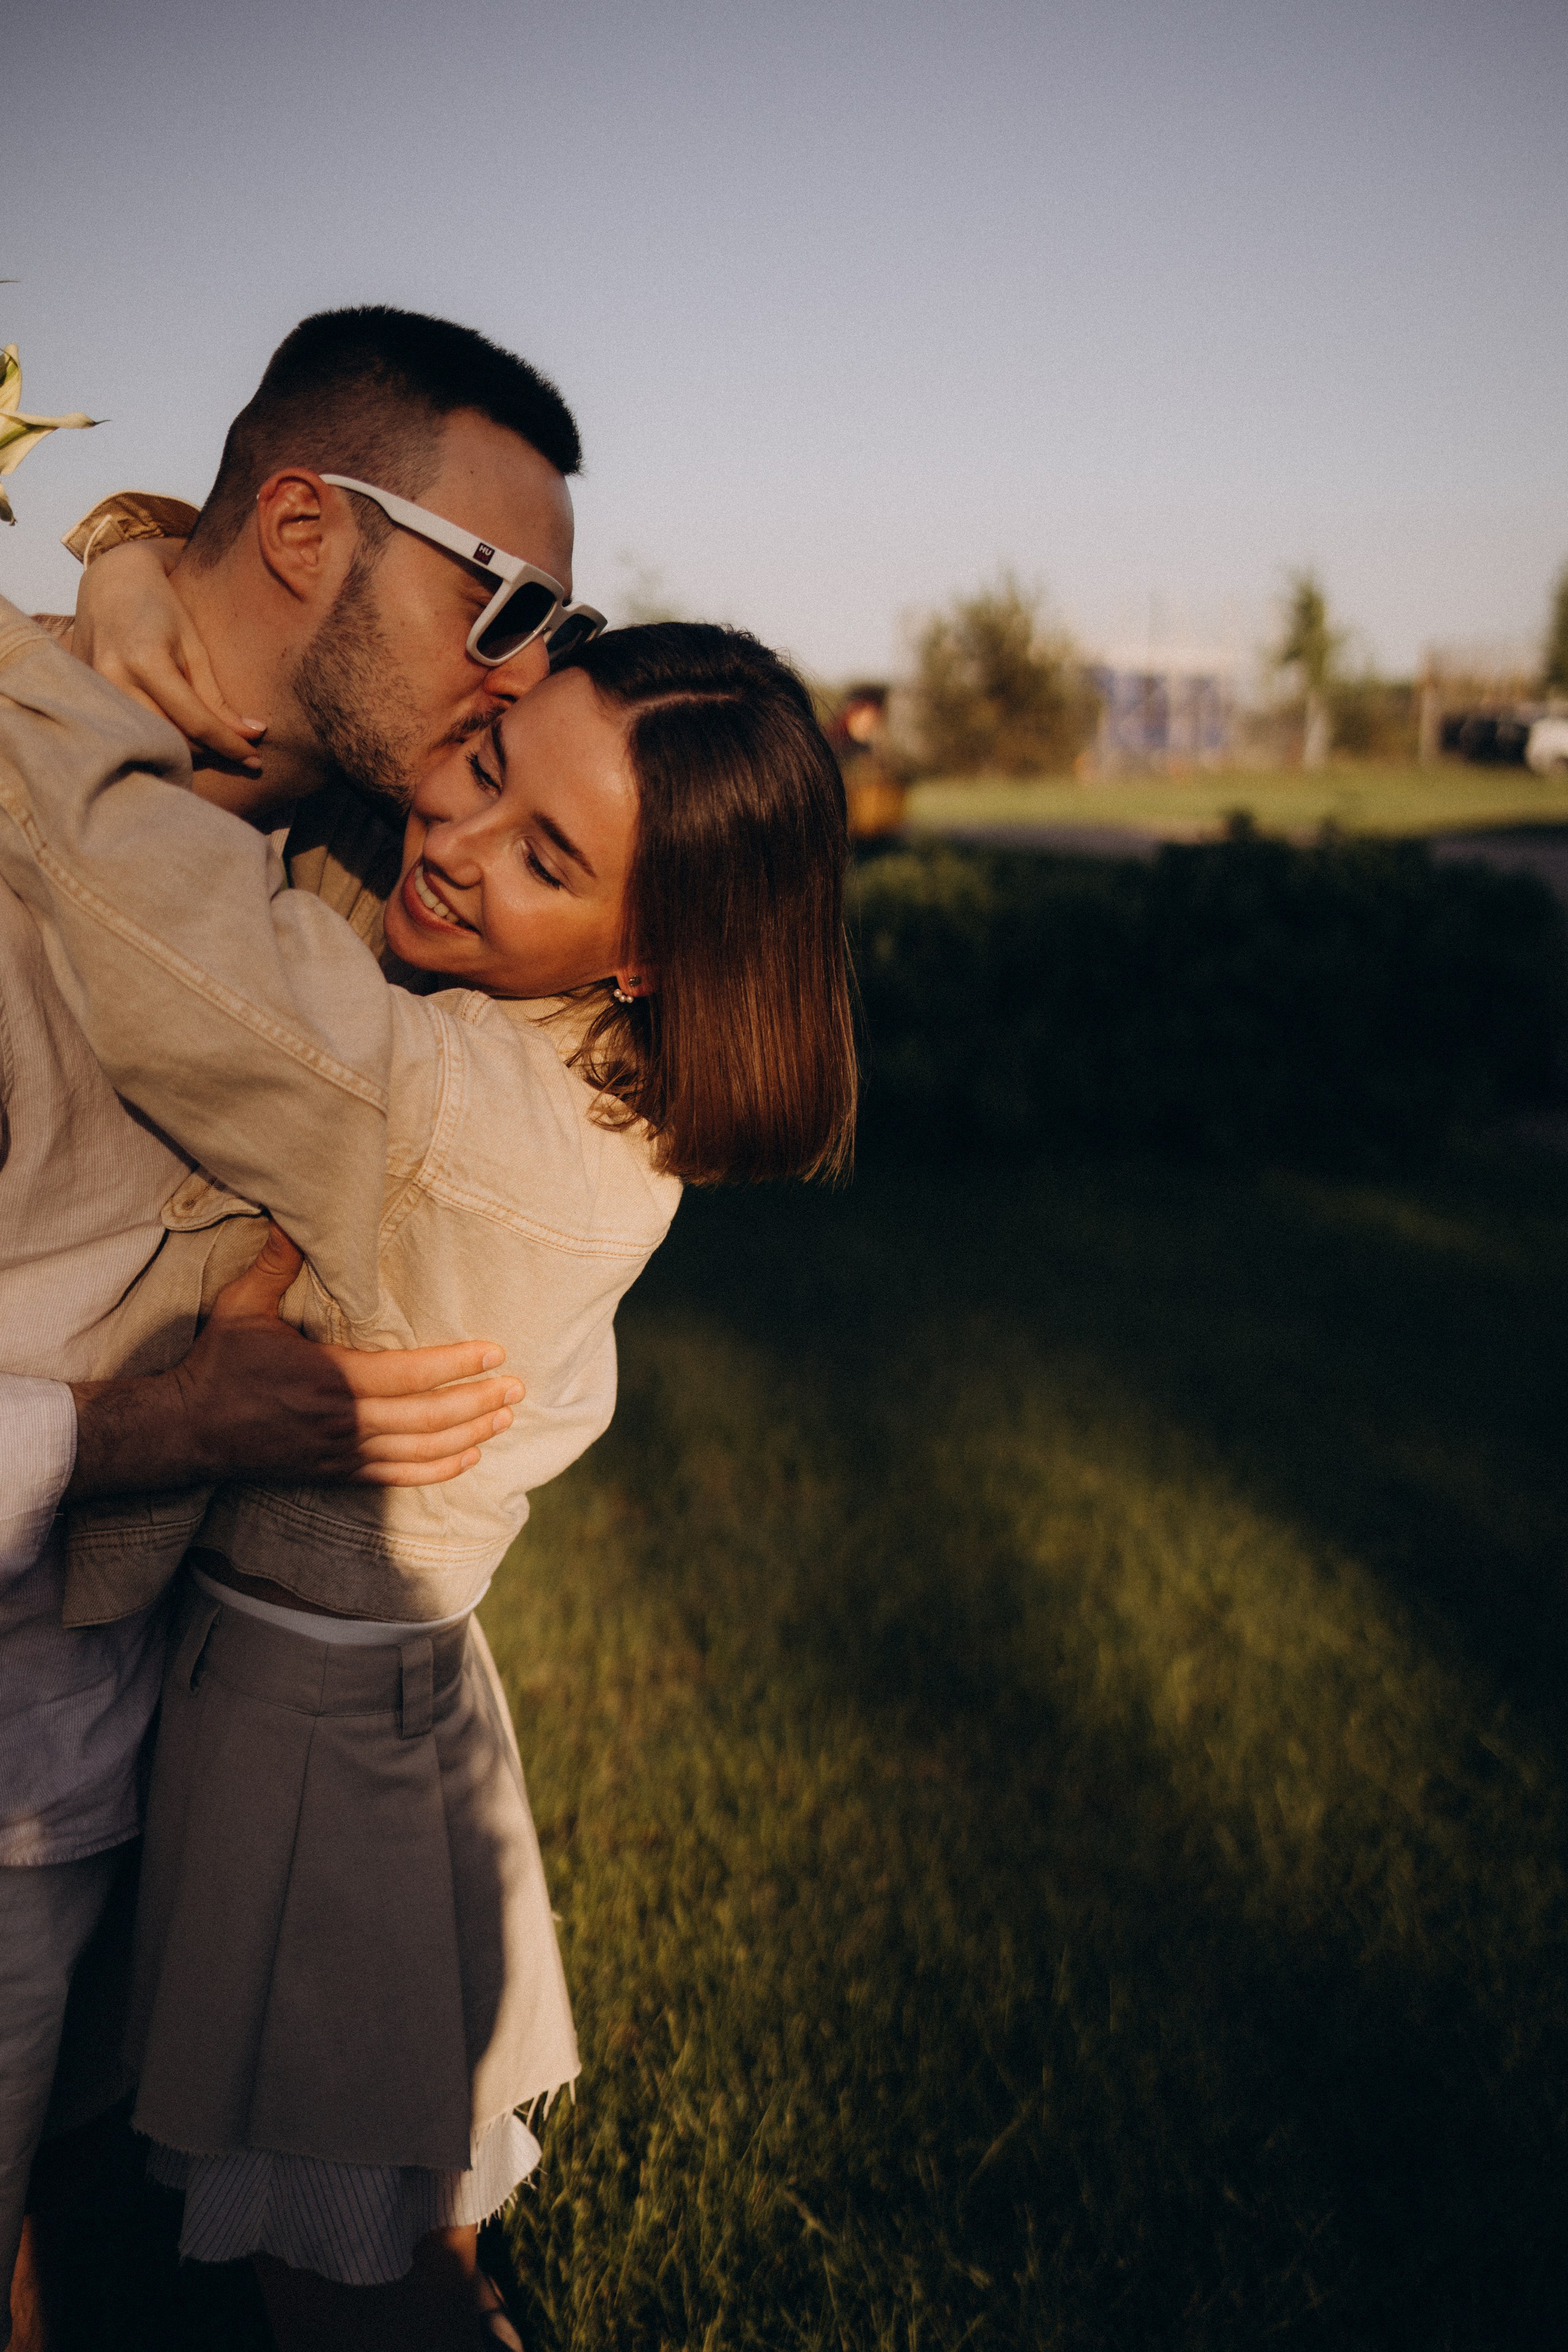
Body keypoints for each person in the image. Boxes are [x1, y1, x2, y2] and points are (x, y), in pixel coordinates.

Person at [0, 579, 856, 2348]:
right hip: (361, 1706)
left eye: (546, 855)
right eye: (481, 763)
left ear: (645, 952)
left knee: (347, 2290)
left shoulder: (448, 1112)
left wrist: (25, 660)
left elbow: (157, 923)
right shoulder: (596, 1067)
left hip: (310, 1752)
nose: (455, 841)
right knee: (383, 2249)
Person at [0, 302, 598, 2348]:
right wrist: (164, 1429)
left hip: (179, 1757)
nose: (524, 666)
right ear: (304, 530)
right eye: (502, 598)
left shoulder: (358, 856)